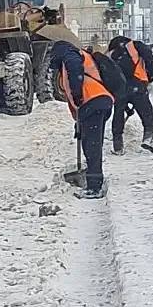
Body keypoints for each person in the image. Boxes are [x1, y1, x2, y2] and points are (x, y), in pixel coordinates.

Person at [49, 40, 114, 200]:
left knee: (92, 145)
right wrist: (79, 124)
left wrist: (77, 93)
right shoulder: (74, 55)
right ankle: (93, 177)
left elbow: (75, 71)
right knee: (91, 143)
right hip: (97, 102)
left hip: (93, 101)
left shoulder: (70, 55)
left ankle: (95, 187)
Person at [107, 35, 153, 156]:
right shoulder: (135, 45)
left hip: (120, 88)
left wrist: (125, 105)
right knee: (146, 111)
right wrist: (151, 75)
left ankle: (117, 144)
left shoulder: (111, 55)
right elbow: (148, 56)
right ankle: (149, 136)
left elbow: (108, 76)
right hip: (137, 84)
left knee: (118, 114)